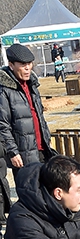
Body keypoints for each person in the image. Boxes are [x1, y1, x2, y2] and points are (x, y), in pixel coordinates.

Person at [0, 43, 53, 174]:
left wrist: (47, 139)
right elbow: (2, 125)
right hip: (23, 154)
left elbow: (39, 116)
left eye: (29, 64)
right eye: (23, 65)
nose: (28, 68)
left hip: (42, 149)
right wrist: (13, 152)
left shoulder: (33, 85)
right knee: (30, 192)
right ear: (11, 65)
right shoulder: (4, 90)